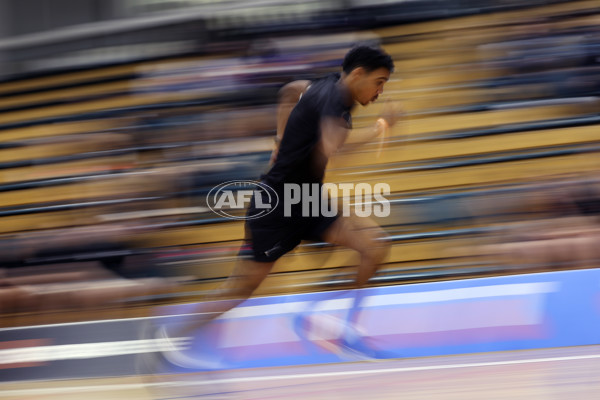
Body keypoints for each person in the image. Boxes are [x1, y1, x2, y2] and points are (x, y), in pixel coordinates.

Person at [157, 45, 404, 367]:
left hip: (309, 199)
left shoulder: (326, 86)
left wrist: (279, 138)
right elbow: (336, 146)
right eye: (379, 82)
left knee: (375, 246)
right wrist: (382, 126)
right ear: (358, 74)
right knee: (240, 288)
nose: (380, 91)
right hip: (276, 205)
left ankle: (338, 329)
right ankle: (173, 336)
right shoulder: (333, 99)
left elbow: (290, 91)